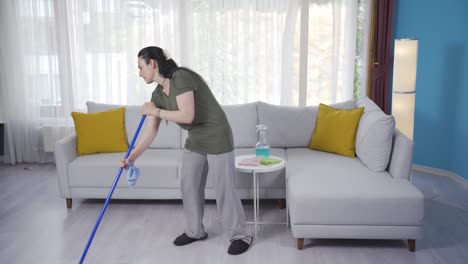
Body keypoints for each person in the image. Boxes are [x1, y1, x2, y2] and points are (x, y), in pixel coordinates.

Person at [120, 46, 253, 255]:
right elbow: (150, 132)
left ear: (152, 64)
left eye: (140, 67)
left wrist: (154, 110)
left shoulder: (180, 78)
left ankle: (240, 236)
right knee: (188, 184)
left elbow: (187, 115)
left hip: (217, 134)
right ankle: (195, 231)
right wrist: (131, 157)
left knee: (224, 188)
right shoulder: (157, 94)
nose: (139, 73)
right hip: (196, 138)